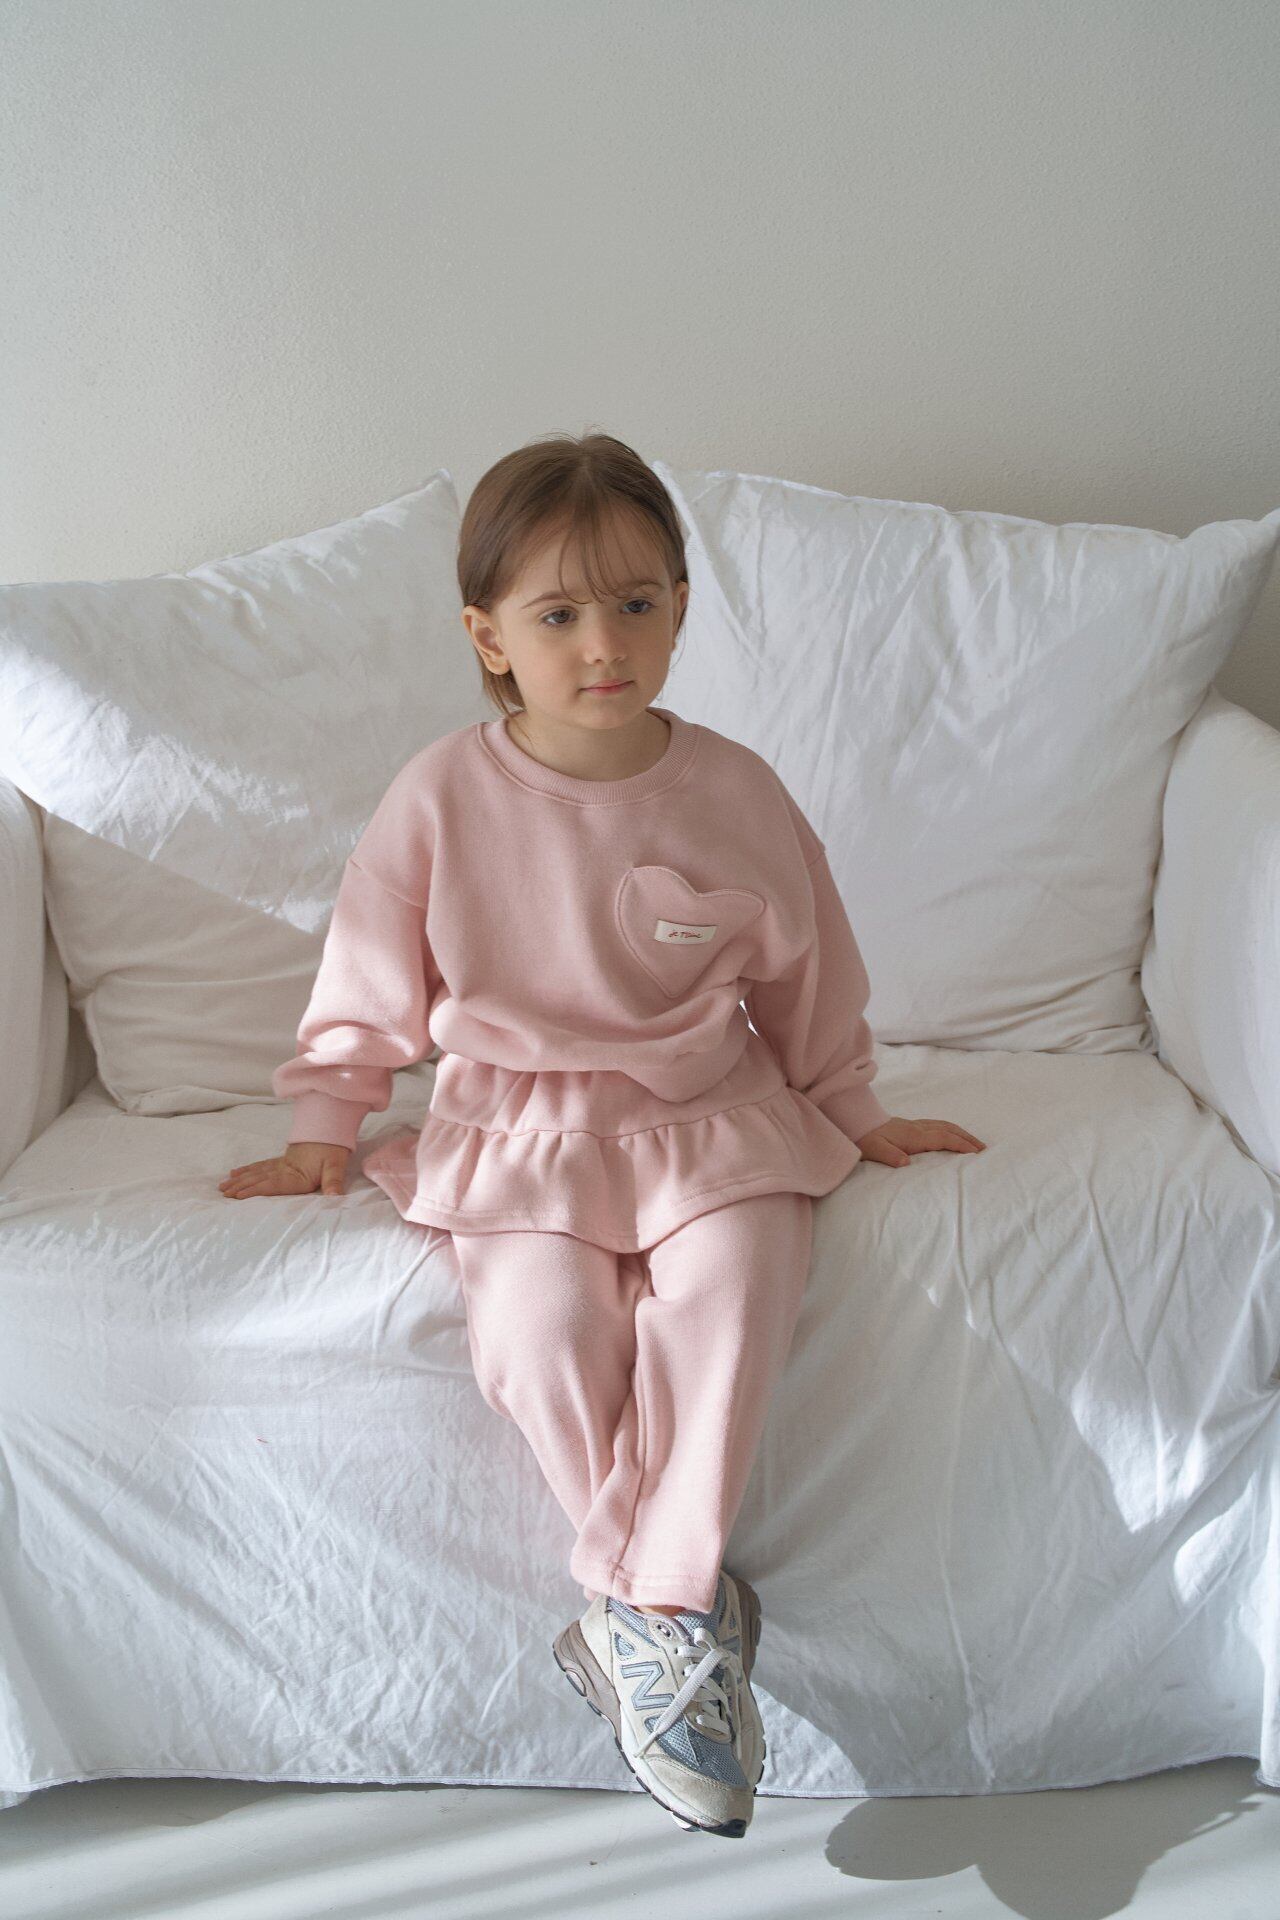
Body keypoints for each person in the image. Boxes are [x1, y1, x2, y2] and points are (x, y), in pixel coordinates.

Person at [219, 430, 987, 1839]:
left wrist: (854, 1108)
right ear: (489, 638)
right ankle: (673, 1618)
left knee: (735, 1293)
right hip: (518, 1124)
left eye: (637, 603)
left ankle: (645, 1615)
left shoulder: (737, 790)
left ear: (682, 607)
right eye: (559, 613)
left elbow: (808, 975)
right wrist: (329, 1120)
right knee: (541, 1331)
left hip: (714, 1114)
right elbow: (371, 972)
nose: (604, 643)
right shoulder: (441, 795)